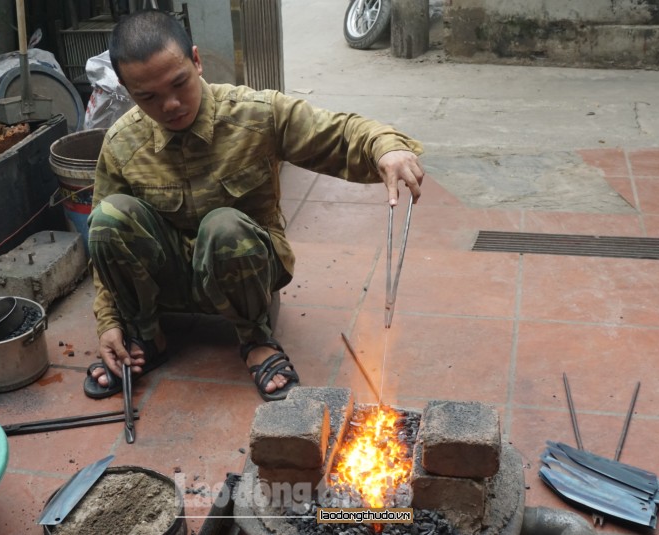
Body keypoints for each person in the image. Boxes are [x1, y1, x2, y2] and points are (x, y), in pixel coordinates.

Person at [83, 9, 424, 402]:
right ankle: (145, 334)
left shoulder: (254, 115)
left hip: (247, 270)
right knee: (107, 219)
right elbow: (103, 246)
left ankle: (255, 337)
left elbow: (339, 130)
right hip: (170, 278)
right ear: (126, 89)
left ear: (196, 60)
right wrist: (108, 321)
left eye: (179, 83)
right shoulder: (122, 143)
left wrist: (387, 148)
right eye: (149, 97)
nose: (172, 104)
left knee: (224, 226)